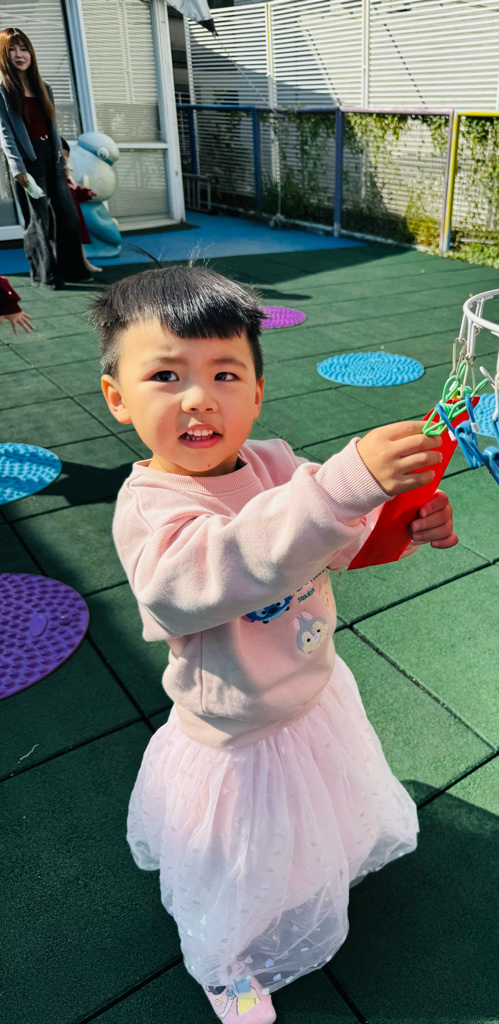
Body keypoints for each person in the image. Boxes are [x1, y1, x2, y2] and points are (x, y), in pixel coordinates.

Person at [94, 265, 458, 1023]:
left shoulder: (275, 462)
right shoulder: (150, 507)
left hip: (311, 692)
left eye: (225, 374)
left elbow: (338, 536)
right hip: (234, 730)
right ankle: (226, 964)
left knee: (315, 814)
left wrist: (403, 523)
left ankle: (313, 872)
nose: (199, 398)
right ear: (118, 397)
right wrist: (343, 488)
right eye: (165, 375)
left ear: (256, 392)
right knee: (239, 861)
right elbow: (202, 576)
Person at [0, 27, 90, 288]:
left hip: (52, 157)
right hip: (26, 162)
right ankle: (46, 276)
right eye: (12, 50)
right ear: (4, 55)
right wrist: (17, 167)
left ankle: (73, 270)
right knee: (39, 221)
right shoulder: (3, 90)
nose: (19, 55)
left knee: (68, 216)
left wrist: (60, 153)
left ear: (31, 53)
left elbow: (51, 125)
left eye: (24, 49)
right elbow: (5, 132)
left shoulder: (44, 88)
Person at [60, 136, 101, 275]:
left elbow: (75, 193)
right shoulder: (55, 178)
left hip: (74, 216)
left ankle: (84, 263)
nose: (65, 158)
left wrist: (86, 193)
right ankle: (73, 267)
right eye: (61, 154)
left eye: (66, 155)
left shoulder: (67, 177)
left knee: (78, 242)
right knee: (67, 244)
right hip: (64, 218)